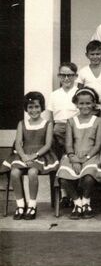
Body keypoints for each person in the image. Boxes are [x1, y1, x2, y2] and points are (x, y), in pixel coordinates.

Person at [0, 92, 58, 220]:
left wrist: (34, 155)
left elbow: (48, 145)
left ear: (42, 107)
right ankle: (20, 205)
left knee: (32, 173)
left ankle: (32, 205)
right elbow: (18, 144)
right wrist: (23, 156)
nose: (34, 110)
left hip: (41, 155)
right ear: (26, 108)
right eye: (30, 107)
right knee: (14, 173)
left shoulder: (48, 124)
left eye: (37, 107)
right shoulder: (22, 123)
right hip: (24, 154)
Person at [56, 87, 101, 219]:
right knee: (64, 177)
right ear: (76, 104)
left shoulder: (98, 121)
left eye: (88, 103)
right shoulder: (71, 121)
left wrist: (84, 158)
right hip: (73, 154)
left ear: (93, 104)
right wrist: (73, 159)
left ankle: (86, 202)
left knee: (89, 177)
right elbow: (68, 144)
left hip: (92, 155)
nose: (84, 106)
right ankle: (77, 203)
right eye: (81, 103)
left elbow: (97, 145)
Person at [47, 62, 79, 207]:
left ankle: (76, 194)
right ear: (59, 76)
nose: (66, 78)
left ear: (76, 76)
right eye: (63, 75)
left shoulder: (79, 93)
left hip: (76, 129)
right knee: (61, 161)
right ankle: (65, 195)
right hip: (59, 129)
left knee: (73, 159)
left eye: (70, 75)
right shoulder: (54, 95)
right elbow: (51, 119)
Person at [76, 40, 101, 109]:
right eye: (92, 54)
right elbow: (79, 91)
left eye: (98, 54)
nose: (95, 57)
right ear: (87, 55)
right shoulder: (83, 71)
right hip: (88, 107)